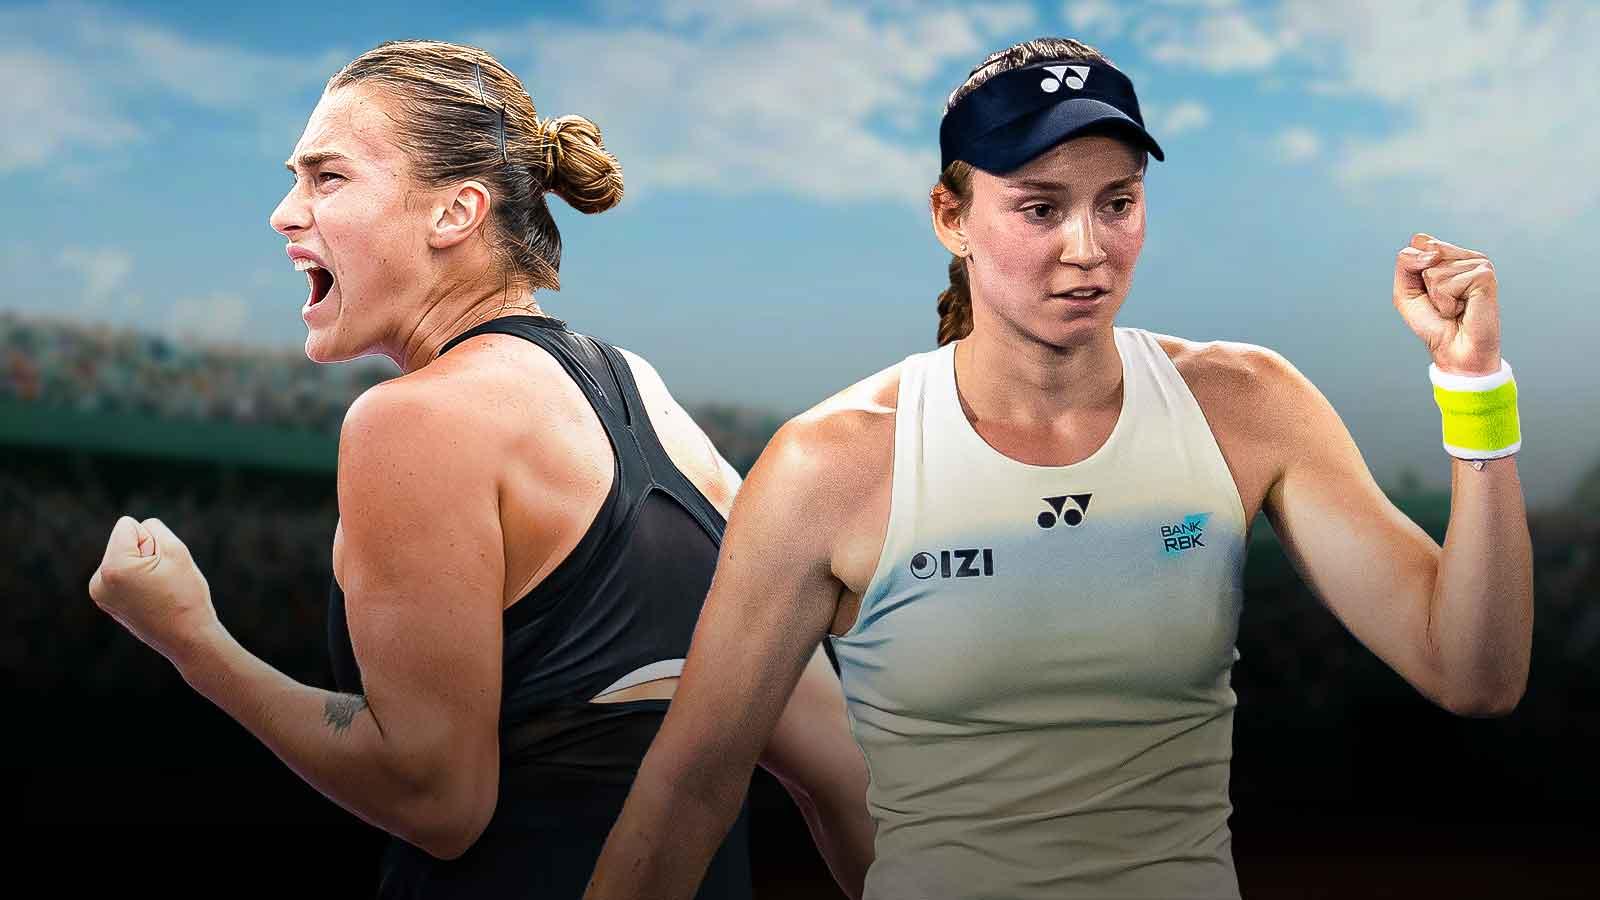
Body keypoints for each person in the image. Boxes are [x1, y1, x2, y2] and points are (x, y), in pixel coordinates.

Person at [583, 36, 1534, 900]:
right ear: (950, 217)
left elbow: (1474, 671)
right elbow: (688, 792)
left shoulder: (1247, 405)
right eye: (1040, 207)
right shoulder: (830, 464)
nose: (1088, 251)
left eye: (1116, 203)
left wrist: (1474, 389)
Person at [86, 39, 873, 899]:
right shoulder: (646, 401)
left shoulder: (415, 419)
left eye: (328, 178)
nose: (284, 211)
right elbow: (841, 782)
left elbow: (437, 797)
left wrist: (191, 641)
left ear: (455, 213)